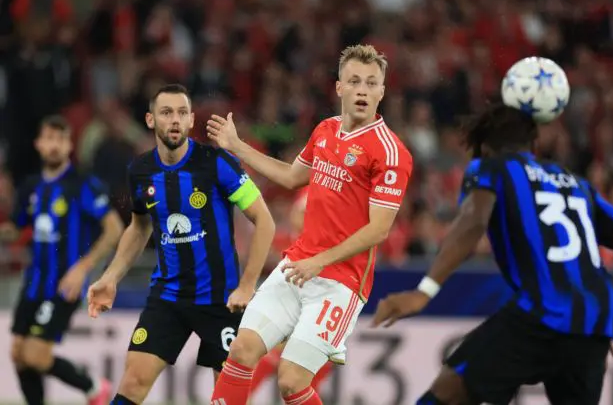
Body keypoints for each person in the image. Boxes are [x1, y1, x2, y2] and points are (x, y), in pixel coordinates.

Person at [372, 104, 613, 405]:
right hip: (593, 322)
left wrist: (425, 290)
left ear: (484, 147)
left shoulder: (493, 169)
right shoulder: (577, 184)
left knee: (445, 394)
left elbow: (473, 222)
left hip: (541, 312)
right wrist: (610, 301)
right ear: (534, 144)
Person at [206, 44, 413, 405]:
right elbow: (290, 177)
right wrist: (238, 146)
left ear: (382, 91)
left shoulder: (391, 152)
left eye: (371, 83)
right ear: (339, 88)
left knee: (291, 382)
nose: (362, 90)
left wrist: (322, 260)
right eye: (354, 81)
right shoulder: (325, 130)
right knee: (240, 351)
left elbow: (379, 229)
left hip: (341, 282)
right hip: (296, 266)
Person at [86, 84, 276, 405]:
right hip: (169, 297)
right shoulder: (140, 171)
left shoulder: (216, 163)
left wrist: (246, 286)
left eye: (182, 113)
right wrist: (111, 277)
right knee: (132, 381)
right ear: (150, 120)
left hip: (222, 300)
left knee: (228, 397)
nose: (175, 120)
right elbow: (139, 227)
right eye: (166, 112)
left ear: (190, 121)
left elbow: (265, 221)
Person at [1, 115, 124, 405]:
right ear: (38, 144)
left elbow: (114, 228)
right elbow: (17, 228)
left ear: (69, 145)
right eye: (49, 139)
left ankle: (93, 386)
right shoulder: (31, 186)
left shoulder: (82, 184)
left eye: (61, 139)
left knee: (34, 353)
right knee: (19, 354)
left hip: (63, 284)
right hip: (34, 282)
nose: (54, 145)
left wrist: (83, 268)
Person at [249, 188, 334, 402]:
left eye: (308, 213)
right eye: (301, 212)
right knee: (262, 367)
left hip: (315, 317)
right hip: (286, 316)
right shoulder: (283, 240)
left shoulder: (329, 249)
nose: (303, 218)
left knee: (302, 383)